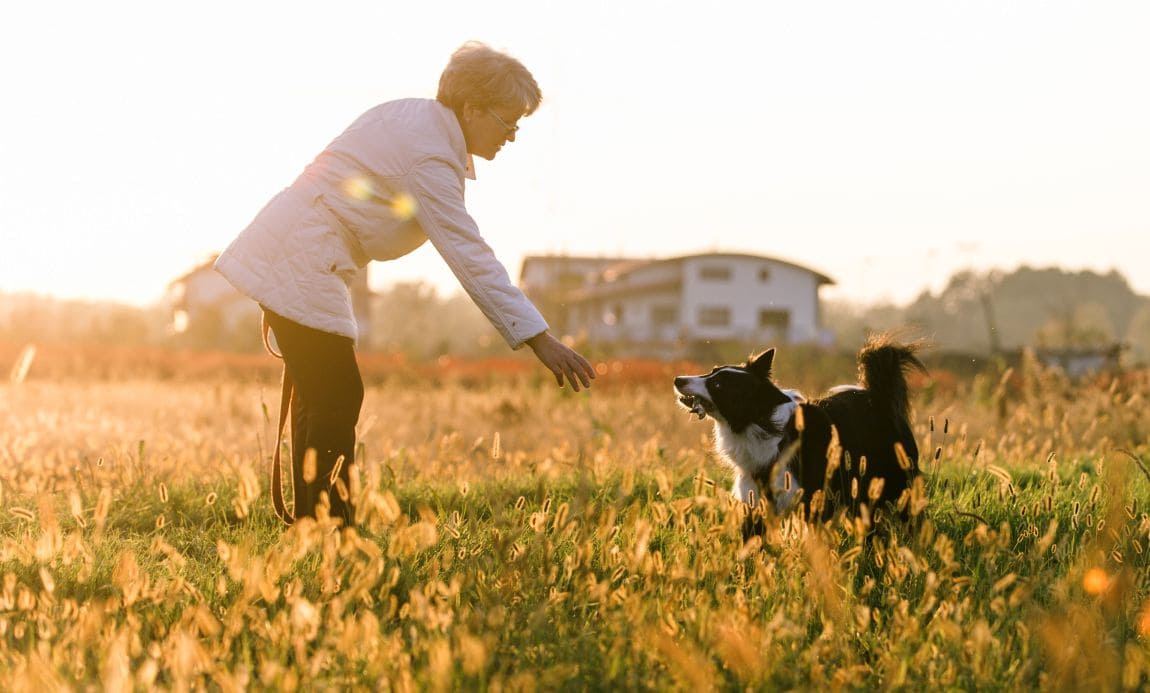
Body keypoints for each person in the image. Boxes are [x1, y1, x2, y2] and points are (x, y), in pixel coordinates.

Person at [215, 41, 595, 527]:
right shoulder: (431, 156)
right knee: (334, 393)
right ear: (472, 107)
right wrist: (539, 338)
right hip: (303, 258)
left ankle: (319, 529)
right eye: (508, 120)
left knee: (324, 393)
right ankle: (330, 532)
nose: (513, 135)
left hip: (305, 254)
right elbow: (468, 253)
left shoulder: (413, 121)